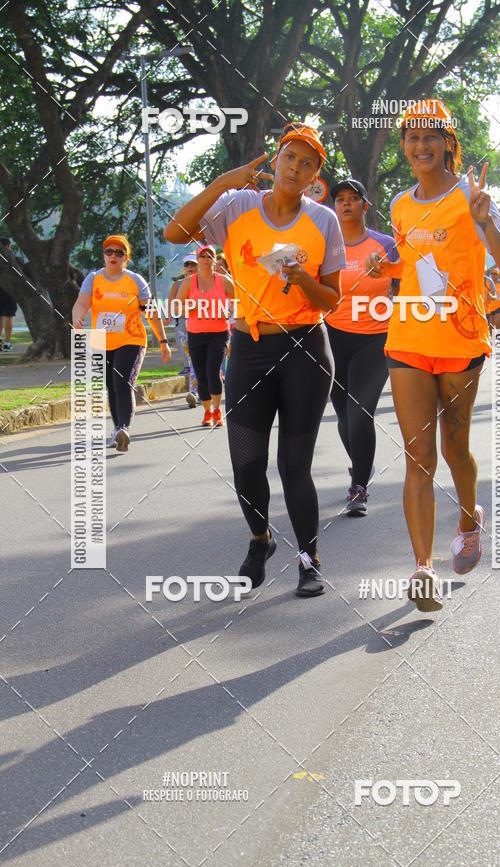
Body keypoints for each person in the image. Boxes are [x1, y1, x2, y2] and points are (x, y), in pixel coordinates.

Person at [165, 123, 345, 596]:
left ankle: (309, 558)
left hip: (305, 346)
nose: (296, 168)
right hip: (247, 344)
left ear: (314, 177)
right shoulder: (238, 204)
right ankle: (260, 539)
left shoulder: (322, 220)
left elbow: (332, 300)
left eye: (308, 164)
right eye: (291, 157)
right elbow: (174, 231)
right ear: (278, 159)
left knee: (293, 465)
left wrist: (303, 279)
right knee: (246, 461)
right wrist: (224, 182)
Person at [367, 99, 500, 611]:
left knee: (456, 452)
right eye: (412, 137)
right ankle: (424, 568)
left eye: (431, 136)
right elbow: (410, 263)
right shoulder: (400, 203)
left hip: (460, 342)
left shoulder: (472, 196)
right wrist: (382, 267)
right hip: (408, 339)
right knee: (419, 459)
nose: (420, 145)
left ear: (448, 144)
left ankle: (470, 518)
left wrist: (487, 221)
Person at [326, 178, 399, 516]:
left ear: (365, 206)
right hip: (332, 336)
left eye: (353, 198)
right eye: (340, 199)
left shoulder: (384, 243)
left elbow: (408, 278)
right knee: (343, 414)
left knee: (359, 410)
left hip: (374, 337)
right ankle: (360, 464)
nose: (345, 204)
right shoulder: (326, 245)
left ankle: (359, 488)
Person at [72, 234, 171, 452]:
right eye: (109, 251)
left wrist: (163, 340)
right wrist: (77, 319)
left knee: (122, 382)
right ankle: (118, 430)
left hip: (131, 339)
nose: (113, 255)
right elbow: (81, 303)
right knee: (111, 386)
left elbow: (151, 313)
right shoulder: (93, 279)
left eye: (119, 252)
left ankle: (123, 428)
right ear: (104, 255)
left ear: (126, 257)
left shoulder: (135, 280)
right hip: (102, 340)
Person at [175, 243, 234, 426]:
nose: (206, 259)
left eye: (210, 256)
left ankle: (217, 411)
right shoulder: (188, 282)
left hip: (218, 333)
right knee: (201, 375)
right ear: (198, 260)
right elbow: (177, 305)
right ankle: (207, 412)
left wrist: (229, 310)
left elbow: (238, 300)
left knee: (213, 371)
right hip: (195, 334)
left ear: (215, 260)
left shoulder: (223, 281)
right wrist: (189, 307)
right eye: (203, 256)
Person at [164, 253, 199, 407]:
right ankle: (195, 392)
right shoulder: (178, 285)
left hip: (208, 326)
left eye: (193, 264)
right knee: (193, 361)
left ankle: (207, 390)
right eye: (187, 265)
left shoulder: (207, 282)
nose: (190, 268)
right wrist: (168, 316)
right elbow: (171, 302)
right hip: (184, 326)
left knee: (205, 361)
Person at [0, 238, 17, 351]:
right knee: (9, 315)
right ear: (7, 246)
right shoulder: (10, 257)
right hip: (9, 290)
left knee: (0, 315)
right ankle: (7, 343)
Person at [484, 268, 500, 333]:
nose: (493, 275)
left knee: (497, 323)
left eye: (495, 274)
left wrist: (492, 297)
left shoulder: (489, 281)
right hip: (488, 308)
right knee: (491, 326)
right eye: (492, 273)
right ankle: (493, 342)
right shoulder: (474, 279)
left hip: (498, 306)